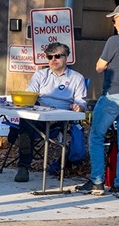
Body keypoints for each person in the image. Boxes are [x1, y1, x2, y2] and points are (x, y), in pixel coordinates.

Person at [77, 2, 119, 198]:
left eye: (116, 19)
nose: (115, 24)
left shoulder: (114, 41)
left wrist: (109, 66)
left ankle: (97, 181)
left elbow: (99, 67)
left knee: (96, 136)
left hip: (112, 96)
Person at [12, 42, 87, 183]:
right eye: (49, 57)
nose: (53, 60)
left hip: (61, 118)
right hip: (38, 115)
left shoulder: (77, 78)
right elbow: (30, 94)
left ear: (67, 58)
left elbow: (81, 102)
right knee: (26, 118)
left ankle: (25, 151)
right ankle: (23, 167)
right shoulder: (40, 75)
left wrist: (79, 107)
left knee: (26, 127)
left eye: (57, 56)